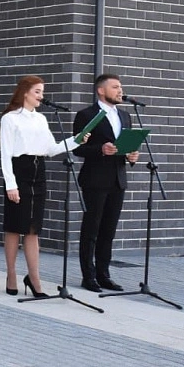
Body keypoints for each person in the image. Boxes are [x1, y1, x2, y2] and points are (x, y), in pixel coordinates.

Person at [0, 75, 87, 297]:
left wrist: (76, 140)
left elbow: (51, 149)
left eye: (42, 92)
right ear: (25, 92)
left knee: (33, 228)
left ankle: (34, 278)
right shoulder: (10, 118)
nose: (41, 96)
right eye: (37, 91)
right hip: (19, 171)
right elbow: (5, 154)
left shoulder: (41, 119)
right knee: (14, 226)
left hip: (39, 172)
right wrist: (11, 184)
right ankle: (11, 274)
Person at [74, 73, 139, 293]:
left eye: (120, 87)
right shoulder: (86, 115)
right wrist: (100, 150)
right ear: (101, 90)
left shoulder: (125, 116)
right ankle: (88, 276)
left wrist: (131, 156)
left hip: (118, 179)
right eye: (115, 87)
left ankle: (104, 274)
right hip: (95, 179)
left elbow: (125, 145)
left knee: (108, 230)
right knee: (91, 229)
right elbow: (78, 148)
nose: (120, 91)